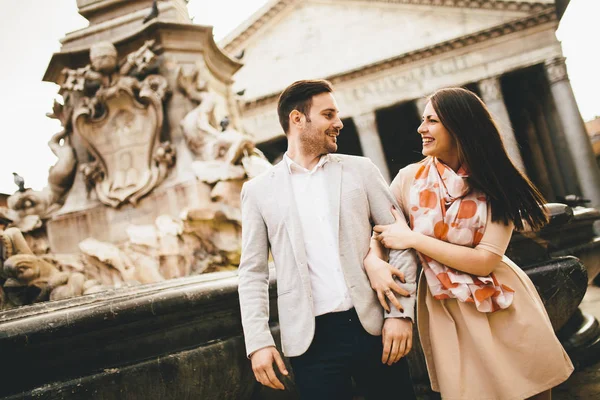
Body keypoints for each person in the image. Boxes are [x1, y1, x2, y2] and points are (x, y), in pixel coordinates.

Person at [365, 87, 574, 400]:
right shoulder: (408, 179)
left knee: (531, 391)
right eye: (423, 120)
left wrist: (414, 239)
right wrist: (373, 263)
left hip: (502, 303)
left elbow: (485, 260)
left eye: (431, 121)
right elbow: (380, 233)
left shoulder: (497, 180)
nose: (421, 129)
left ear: (458, 125)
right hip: (447, 309)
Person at [237, 79, 418, 400]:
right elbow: (252, 273)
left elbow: (399, 239)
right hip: (310, 343)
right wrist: (259, 342)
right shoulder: (257, 190)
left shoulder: (361, 170)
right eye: (328, 114)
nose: (339, 123)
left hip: (375, 327)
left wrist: (400, 314)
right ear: (297, 119)